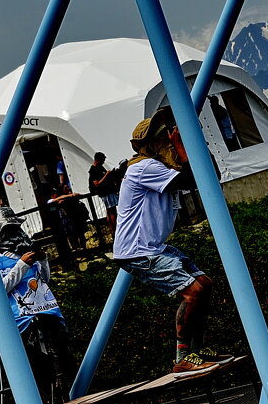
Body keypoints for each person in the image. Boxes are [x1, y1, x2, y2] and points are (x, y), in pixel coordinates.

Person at [113, 117, 232, 378]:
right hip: (139, 250)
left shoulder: (161, 166)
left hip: (154, 246)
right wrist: (182, 145)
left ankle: (197, 350)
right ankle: (182, 357)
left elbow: (207, 176)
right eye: (164, 138)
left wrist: (191, 145)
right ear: (153, 144)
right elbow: (191, 178)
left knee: (205, 283)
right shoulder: (144, 167)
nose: (168, 142)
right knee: (193, 292)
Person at [0, 206, 73, 401]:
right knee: (38, 367)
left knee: (62, 362)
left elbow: (43, 279)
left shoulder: (25, 248)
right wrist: (22, 265)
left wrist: (42, 261)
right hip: (22, 318)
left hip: (47, 311)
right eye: (5, 230)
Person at [88, 152, 124, 232]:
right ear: (98, 160)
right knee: (112, 211)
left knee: (109, 211)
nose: (104, 162)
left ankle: (112, 230)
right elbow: (96, 183)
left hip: (109, 190)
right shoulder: (93, 170)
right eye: (103, 160)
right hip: (105, 192)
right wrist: (106, 175)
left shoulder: (100, 167)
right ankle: (115, 229)